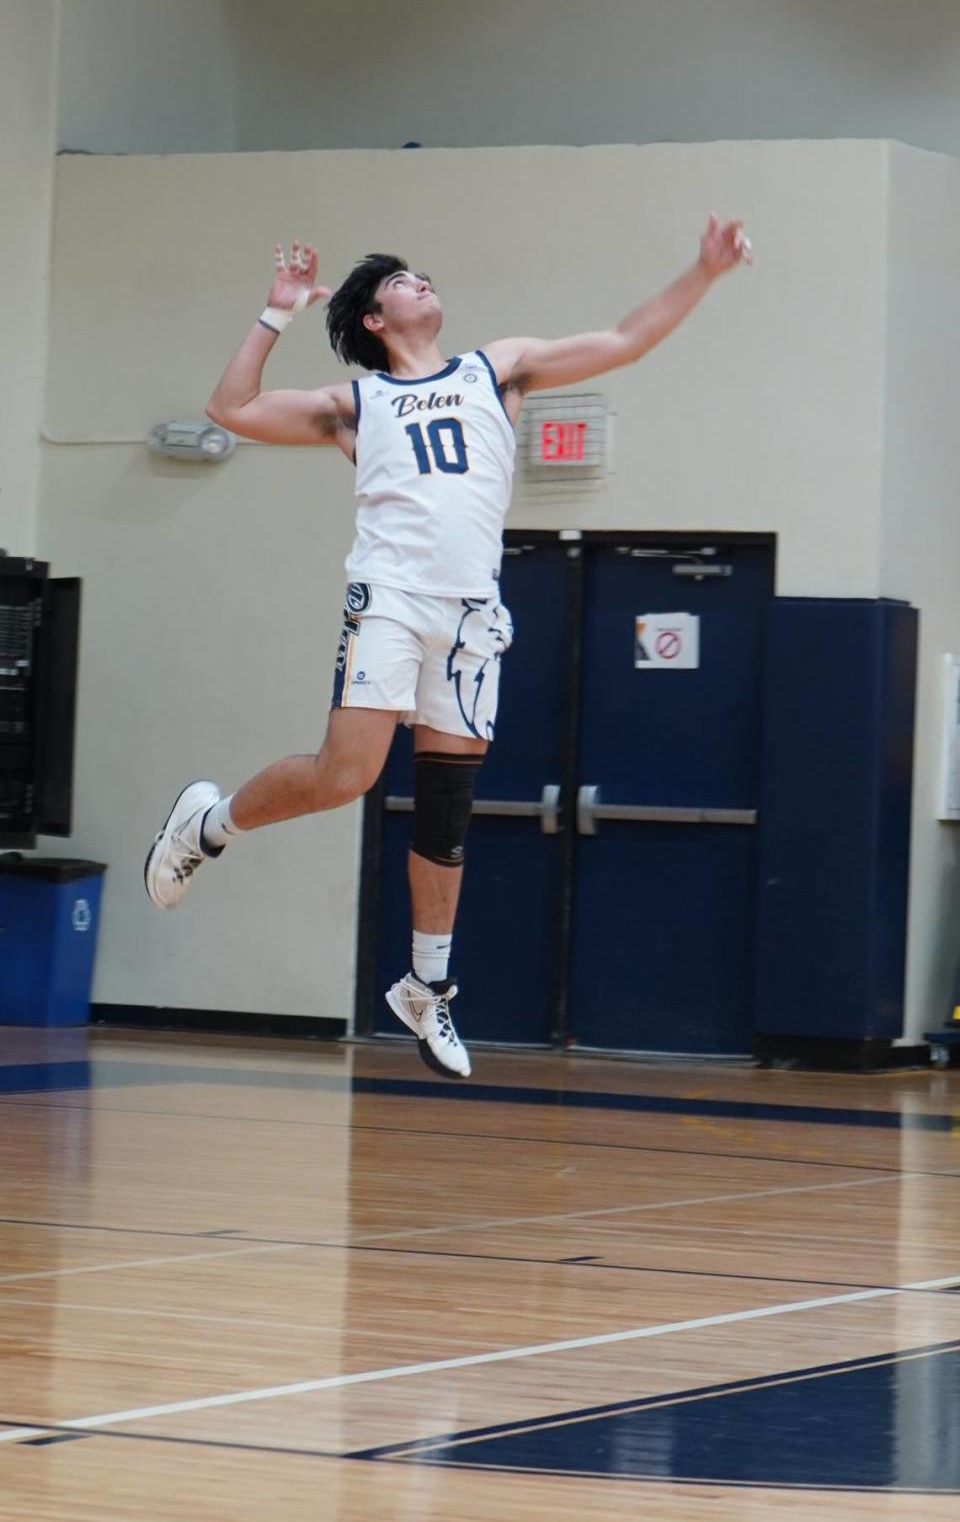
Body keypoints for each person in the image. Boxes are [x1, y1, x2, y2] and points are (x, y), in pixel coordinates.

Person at [145, 217, 751, 1077]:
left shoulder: (494, 368)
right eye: (403, 280)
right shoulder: (356, 404)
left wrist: (703, 270)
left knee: (446, 811)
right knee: (345, 776)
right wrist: (274, 314)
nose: (422, 281)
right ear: (373, 321)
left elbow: (623, 340)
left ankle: (426, 986)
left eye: (423, 273)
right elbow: (228, 409)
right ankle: (206, 825)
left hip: (472, 613)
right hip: (391, 599)